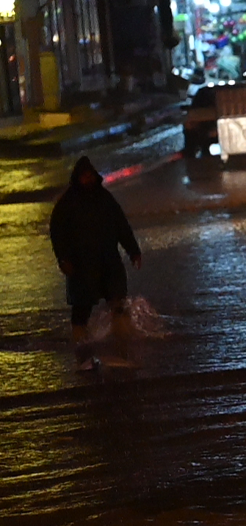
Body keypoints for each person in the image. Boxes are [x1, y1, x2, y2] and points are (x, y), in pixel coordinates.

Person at [49, 157, 142, 370]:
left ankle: (123, 346)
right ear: (77, 178)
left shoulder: (105, 199)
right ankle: (81, 351)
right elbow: (58, 234)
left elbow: (121, 226)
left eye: (90, 175)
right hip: (81, 266)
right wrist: (63, 259)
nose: (88, 179)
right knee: (81, 308)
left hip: (108, 262)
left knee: (118, 302)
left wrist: (133, 250)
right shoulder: (67, 204)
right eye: (84, 176)